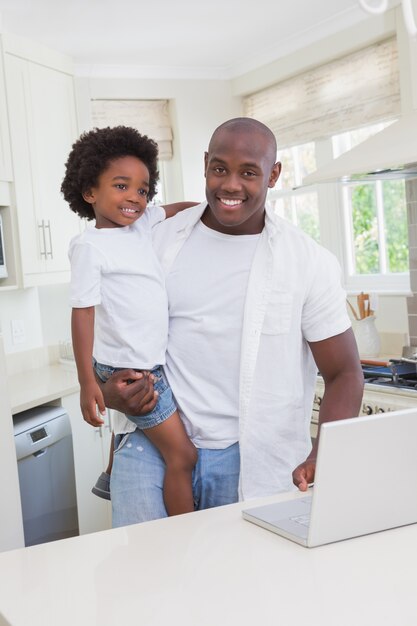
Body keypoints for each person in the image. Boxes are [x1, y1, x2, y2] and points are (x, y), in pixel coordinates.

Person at [99, 117, 364, 527]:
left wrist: (324, 454)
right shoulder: (157, 240)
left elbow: (344, 372)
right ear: (205, 165)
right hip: (153, 440)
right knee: (143, 580)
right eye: (220, 168)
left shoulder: (307, 261)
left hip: (253, 457)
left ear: (274, 175)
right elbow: (109, 331)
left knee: (239, 584)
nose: (231, 185)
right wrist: (106, 392)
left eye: (249, 172)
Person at [61, 125, 198, 516]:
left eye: (142, 189)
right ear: (90, 191)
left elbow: (174, 209)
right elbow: (83, 313)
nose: (134, 198)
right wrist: (88, 381)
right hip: (131, 368)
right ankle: (186, 532)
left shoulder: (140, 225)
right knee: (182, 455)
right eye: (121, 186)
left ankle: (109, 471)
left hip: (146, 360)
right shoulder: (90, 246)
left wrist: (211, 204)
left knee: (151, 434)